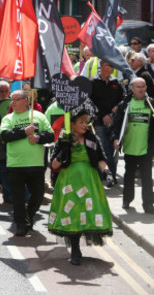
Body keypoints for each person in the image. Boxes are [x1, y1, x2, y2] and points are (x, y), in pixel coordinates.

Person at [49, 109, 114, 265]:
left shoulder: (92, 138)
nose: (85, 125)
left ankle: (78, 247)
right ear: (72, 124)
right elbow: (53, 165)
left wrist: (107, 172)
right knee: (72, 212)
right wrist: (61, 154)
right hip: (69, 182)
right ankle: (75, 250)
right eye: (81, 122)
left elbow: (100, 159)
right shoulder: (64, 139)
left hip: (89, 181)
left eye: (86, 122)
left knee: (89, 212)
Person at [0, 90, 55, 236]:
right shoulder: (8, 118)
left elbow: (50, 135)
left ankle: (28, 216)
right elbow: (5, 135)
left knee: (38, 194)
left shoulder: (38, 116)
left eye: (16, 99)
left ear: (25, 100)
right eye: (12, 100)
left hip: (35, 163)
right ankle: (20, 224)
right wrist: (23, 132)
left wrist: (37, 138)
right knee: (18, 197)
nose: (13, 102)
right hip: (16, 164)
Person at [112, 77, 154, 214]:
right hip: (130, 147)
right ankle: (127, 200)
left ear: (146, 88)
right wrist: (116, 139)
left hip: (146, 148)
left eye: (143, 87)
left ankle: (148, 204)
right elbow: (116, 125)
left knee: (147, 177)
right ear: (132, 89)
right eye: (138, 87)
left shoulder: (151, 104)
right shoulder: (125, 105)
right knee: (129, 176)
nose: (141, 89)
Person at [90, 60, 125, 180]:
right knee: (103, 150)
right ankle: (103, 176)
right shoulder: (92, 82)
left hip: (114, 123)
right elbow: (90, 102)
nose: (112, 67)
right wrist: (102, 115)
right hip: (99, 122)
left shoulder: (116, 82)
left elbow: (124, 99)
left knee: (114, 152)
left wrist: (118, 107)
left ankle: (112, 176)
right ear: (102, 65)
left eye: (113, 65)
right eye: (110, 65)